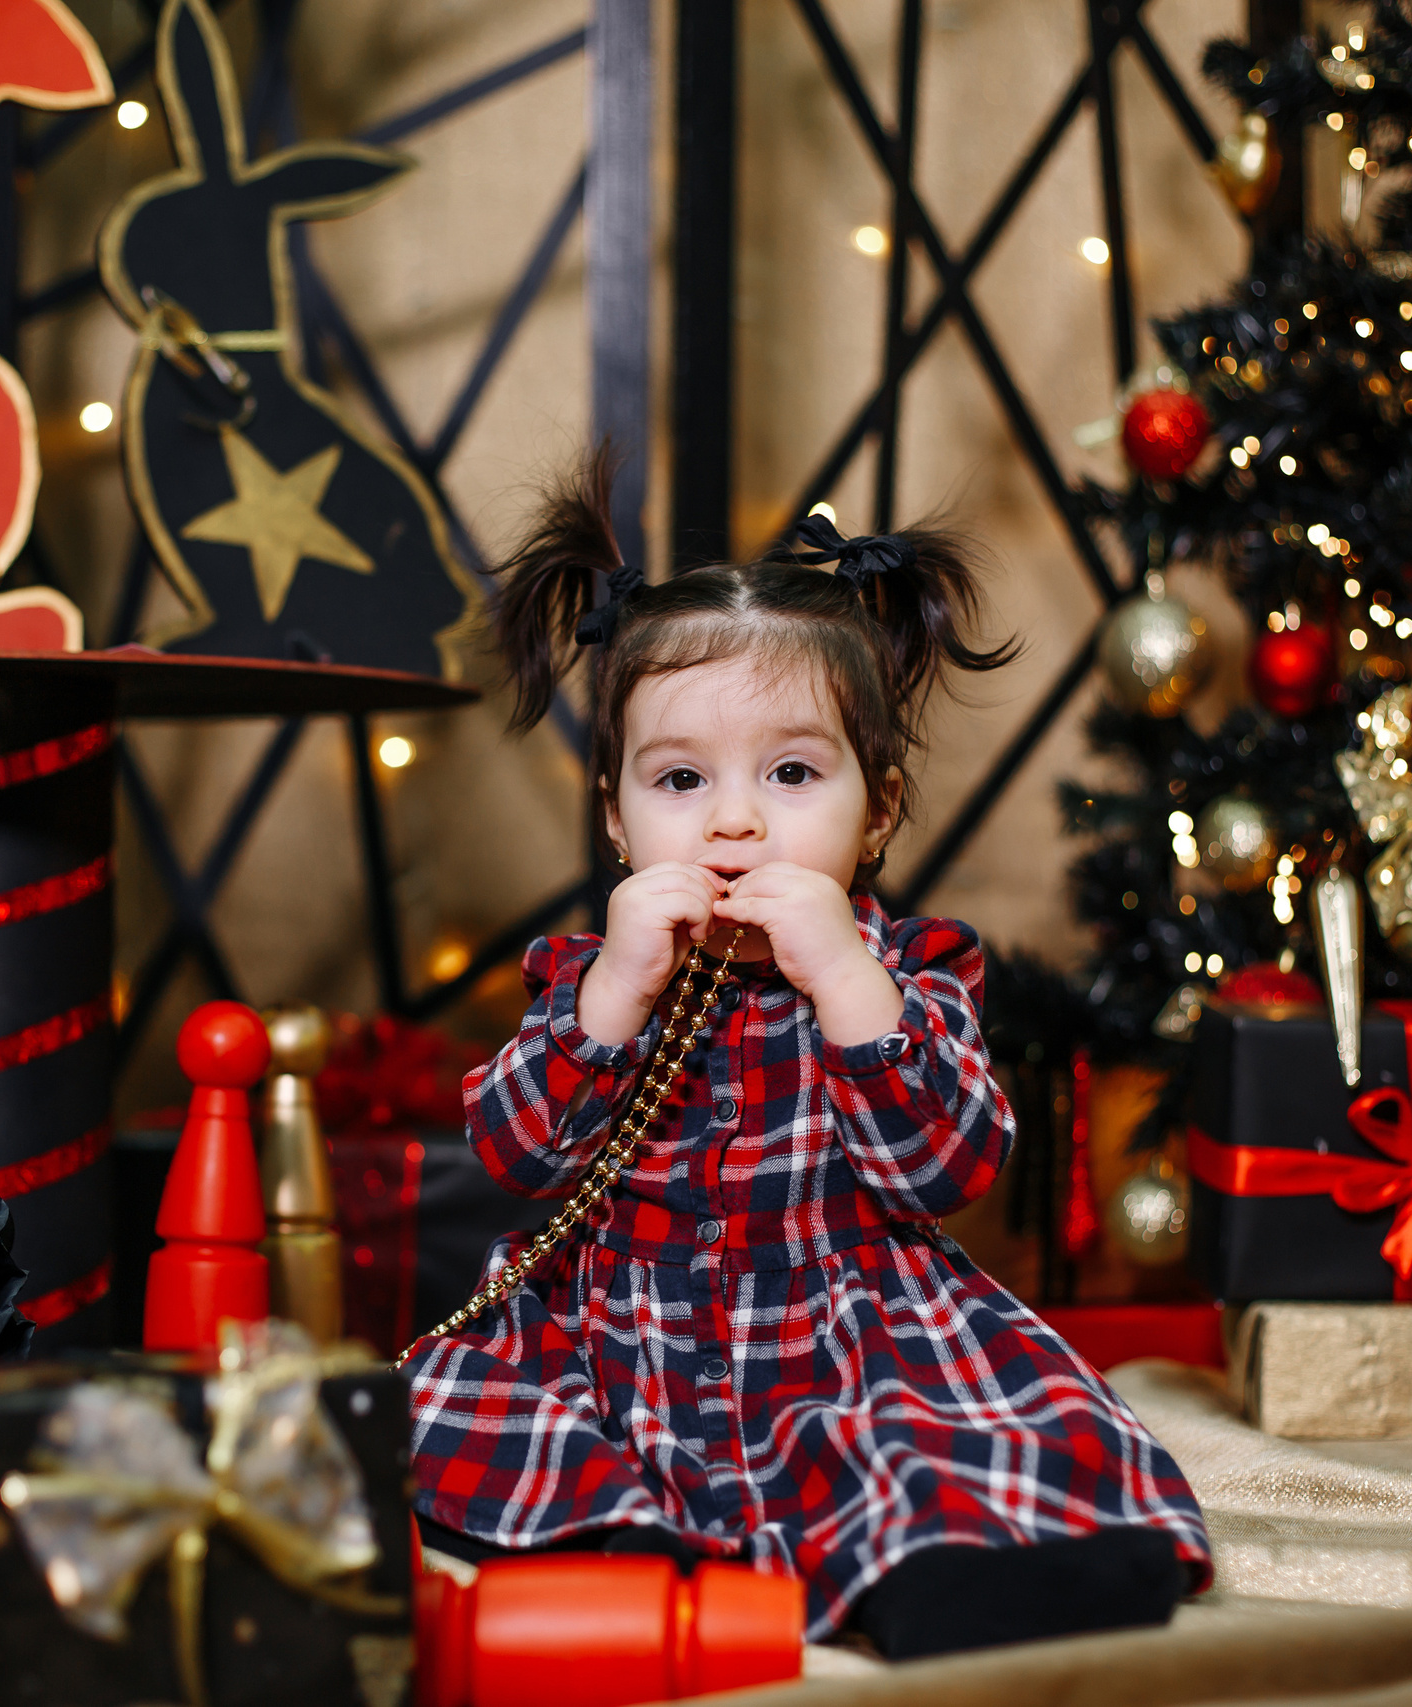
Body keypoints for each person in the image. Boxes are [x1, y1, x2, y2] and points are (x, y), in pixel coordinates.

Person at [405, 463, 1210, 1658]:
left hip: (848, 1328)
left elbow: (954, 1162)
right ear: (618, 819)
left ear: (877, 811)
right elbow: (514, 1152)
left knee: (928, 1442)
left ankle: (941, 1575)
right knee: (448, 1414)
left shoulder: (908, 964)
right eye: (680, 780)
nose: (734, 821)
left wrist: (843, 979)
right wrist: (613, 995)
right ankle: (621, 1547)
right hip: (621, 1333)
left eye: (792, 774)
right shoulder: (590, 972)